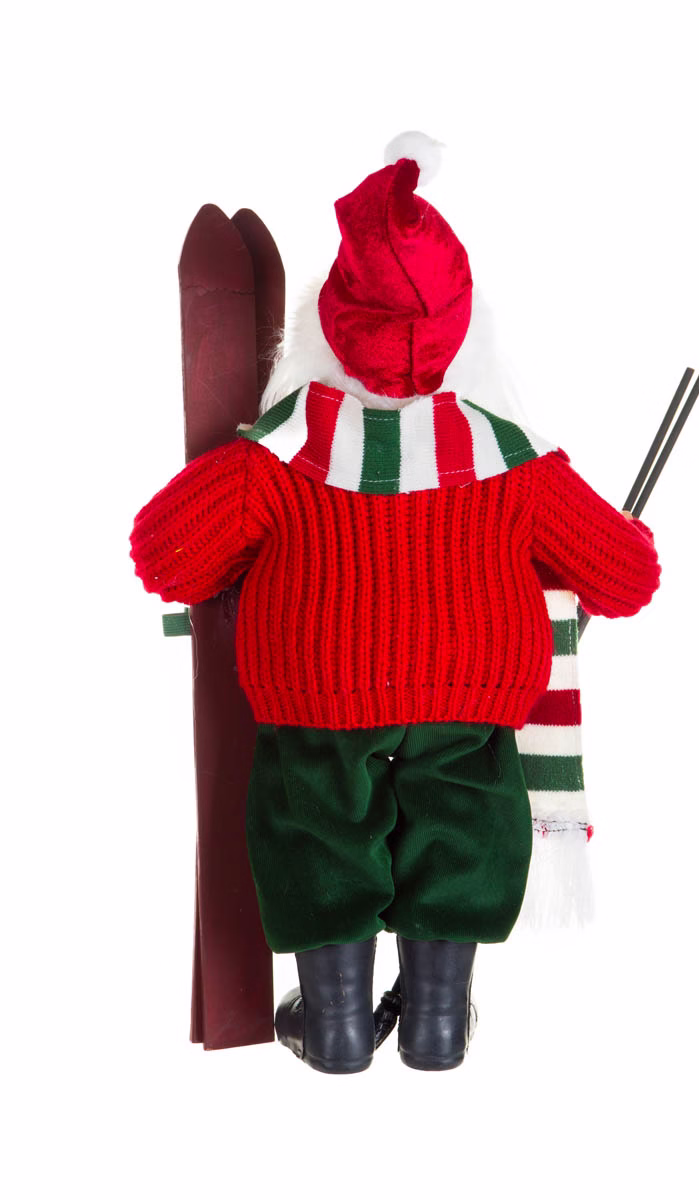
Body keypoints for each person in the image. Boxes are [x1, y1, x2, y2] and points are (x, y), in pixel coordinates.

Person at [130, 132, 660, 1074]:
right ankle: (438, 1020)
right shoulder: (514, 460)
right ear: (462, 328)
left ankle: (336, 1025)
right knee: (466, 824)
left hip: (316, 690)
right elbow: (627, 578)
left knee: (315, 821)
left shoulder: (279, 451)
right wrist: (599, 548)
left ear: (330, 325)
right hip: (471, 693)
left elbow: (163, 555)